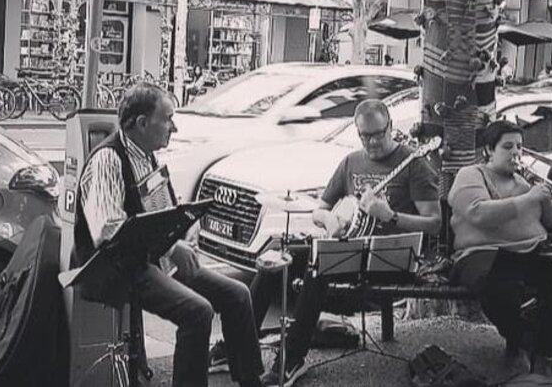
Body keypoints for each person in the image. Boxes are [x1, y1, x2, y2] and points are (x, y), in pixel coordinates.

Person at [72, 82, 264, 387]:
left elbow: (162, 212)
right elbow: (108, 232)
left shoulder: (148, 156)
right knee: (197, 311)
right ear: (142, 123)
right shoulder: (107, 160)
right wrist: (172, 248)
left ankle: (250, 380)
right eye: (167, 118)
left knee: (237, 295)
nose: (174, 127)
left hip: (149, 259)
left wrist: (187, 228)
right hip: (115, 267)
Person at [255, 99, 441, 386]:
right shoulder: (351, 162)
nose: (372, 142)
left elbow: (434, 223)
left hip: (391, 260)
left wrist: (390, 216)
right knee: (277, 255)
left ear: (391, 126)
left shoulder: (414, 163)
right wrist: (329, 220)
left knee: (319, 268)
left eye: (378, 134)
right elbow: (319, 210)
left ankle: (291, 359)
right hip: (350, 251)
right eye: (365, 136)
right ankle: (237, 345)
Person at [448, 120, 552, 378]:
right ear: (489, 150)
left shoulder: (525, 181)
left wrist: (549, 197)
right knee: (499, 288)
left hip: (530, 251)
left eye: (519, 147)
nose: (516, 153)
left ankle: (545, 354)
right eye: (507, 147)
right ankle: (523, 341)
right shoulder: (471, 174)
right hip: (483, 252)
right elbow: (478, 214)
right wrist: (528, 199)